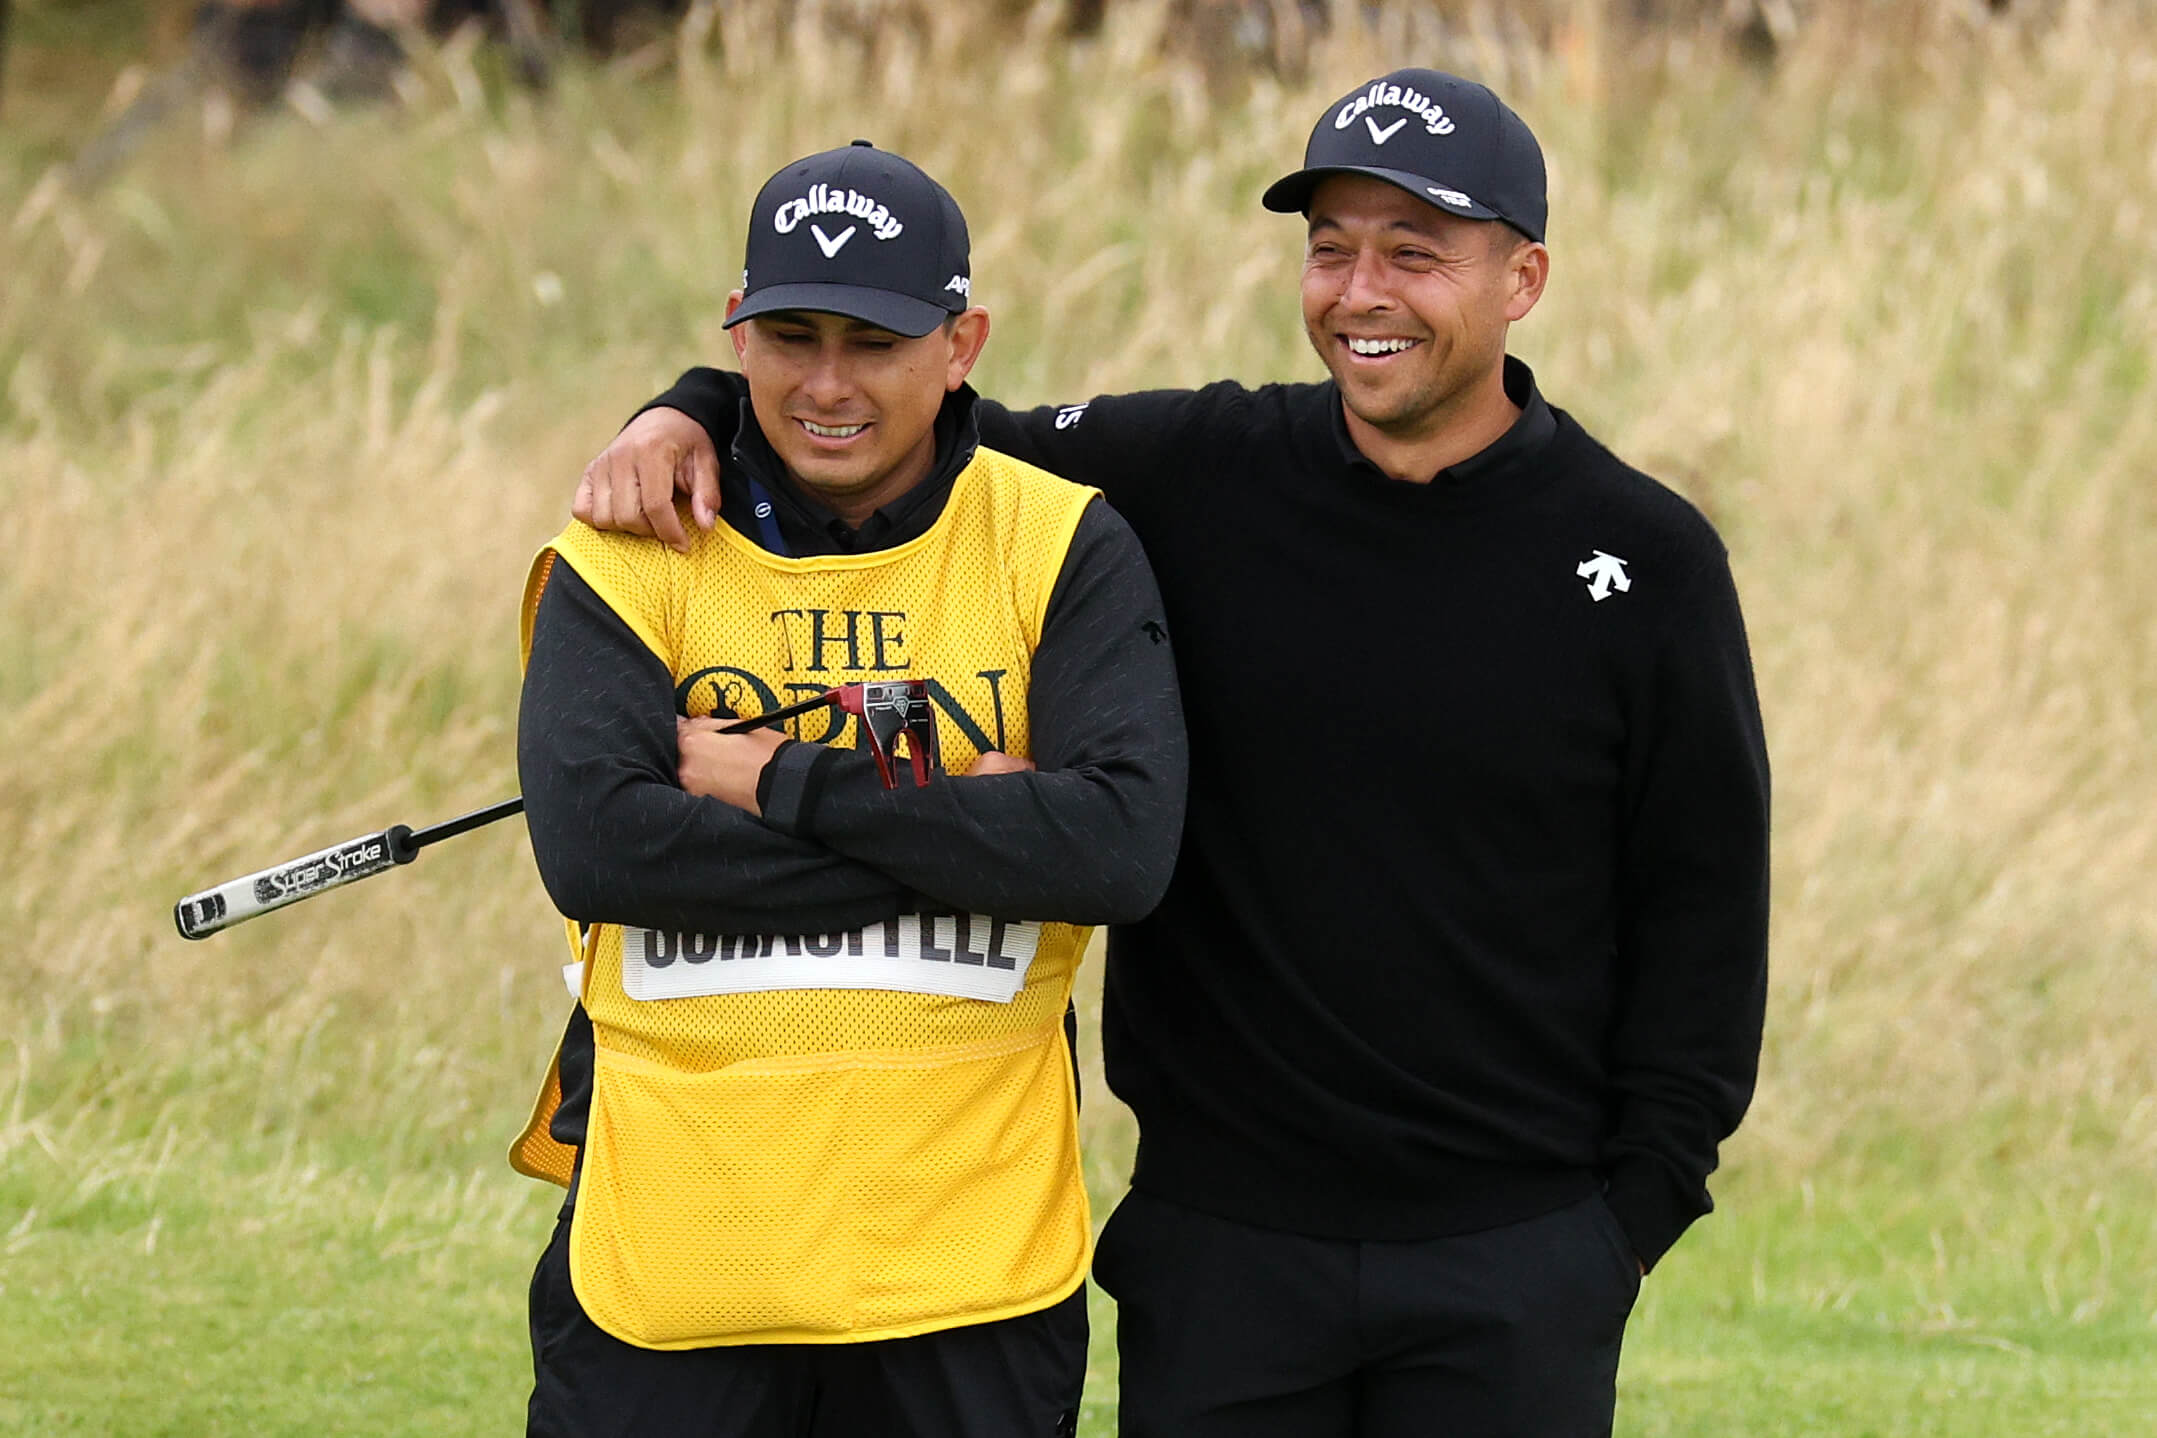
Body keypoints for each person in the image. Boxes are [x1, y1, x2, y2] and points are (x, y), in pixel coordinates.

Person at [577, 70, 1770, 1438]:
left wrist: (1623, 1227)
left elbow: (1703, 914)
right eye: (1330, 247)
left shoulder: (1642, 561)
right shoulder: (1191, 471)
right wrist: (691, 406)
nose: (1358, 291)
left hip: (1514, 1257)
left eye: (1413, 253)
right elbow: (901, 419)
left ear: (1523, 279)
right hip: (1223, 1254)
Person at [512, 139, 1186, 1438]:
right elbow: (603, 850)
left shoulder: (1061, 542)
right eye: (790, 335)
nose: (827, 383)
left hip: (969, 1275)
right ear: (736, 335)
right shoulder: (626, 546)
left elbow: (1117, 852)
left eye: (872, 343)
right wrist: (980, 824)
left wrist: (780, 785)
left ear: (961, 341)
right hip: (675, 1270)